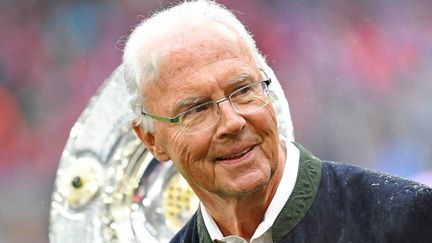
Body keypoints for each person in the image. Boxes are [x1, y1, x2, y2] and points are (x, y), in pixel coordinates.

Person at [122, 1, 432, 242]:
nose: (232, 122)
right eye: (198, 109)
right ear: (151, 140)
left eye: (243, 90)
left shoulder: (405, 218)